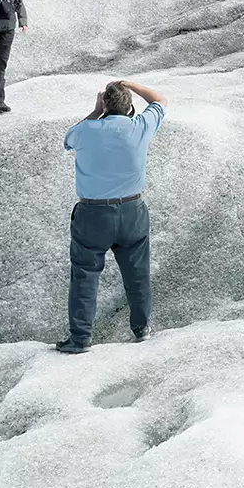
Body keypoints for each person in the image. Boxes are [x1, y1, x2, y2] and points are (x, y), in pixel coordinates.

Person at [58, 79, 169, 353]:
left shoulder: (87, 130)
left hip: (93, 214)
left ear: (105, 103)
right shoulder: (140, 126)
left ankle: (80, 339)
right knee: (137, 275)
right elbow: (160, 100)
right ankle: (141, 330)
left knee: (85, 276)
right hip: (132, 211)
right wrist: (129, 84)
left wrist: (96, 112)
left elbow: (68, 140)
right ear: (130, 107)